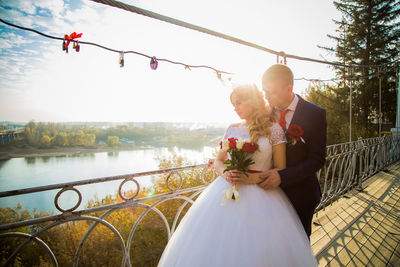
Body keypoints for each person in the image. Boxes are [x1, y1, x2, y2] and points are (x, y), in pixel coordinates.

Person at [157, 84, 317, 267]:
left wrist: (252, 179)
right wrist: (227, 174)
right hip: (226, 192)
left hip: (263, 195)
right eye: (233, 104)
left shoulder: (274, 130)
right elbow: (218, 161)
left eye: (239, 103)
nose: (235, 108)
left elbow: (281, 168)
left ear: (253, 100)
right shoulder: (231, 128)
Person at [255, 64, 327, 237]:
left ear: (289, 88)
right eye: (264, 91)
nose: (266, 97)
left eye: (270, 92)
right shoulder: (264, 114)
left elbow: (317, 159)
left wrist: (283, 176)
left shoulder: (315, 113)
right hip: (267, 194)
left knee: (297, 244)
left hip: (300, 194)